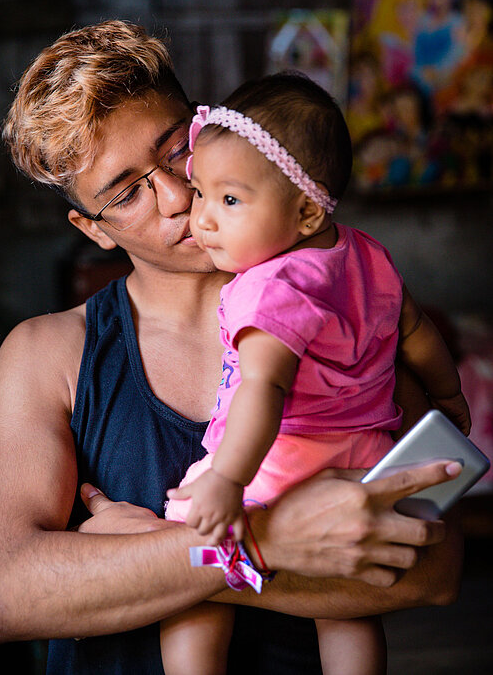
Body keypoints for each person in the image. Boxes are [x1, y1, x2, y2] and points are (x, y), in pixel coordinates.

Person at [0, 21, 464, 675]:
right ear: (90, 230)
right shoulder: (45, 355)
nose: (179, 198)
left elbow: (431, 566)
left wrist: (157, 552)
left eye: (178, 150)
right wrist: (273, 544)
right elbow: (6, 594)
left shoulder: (325, 304)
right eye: (127, 192)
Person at [161, 73, 470, 675]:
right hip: (362, 458)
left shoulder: (271, 287)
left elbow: (264, 388)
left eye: (230, 200)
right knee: (348, 612)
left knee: (193, 586)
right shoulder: (368, 255)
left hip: (282, 463)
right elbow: (417, 334)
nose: (202, 219)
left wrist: (228, 479)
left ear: (305, 211)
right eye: (200, 193)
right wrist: (449, 394)